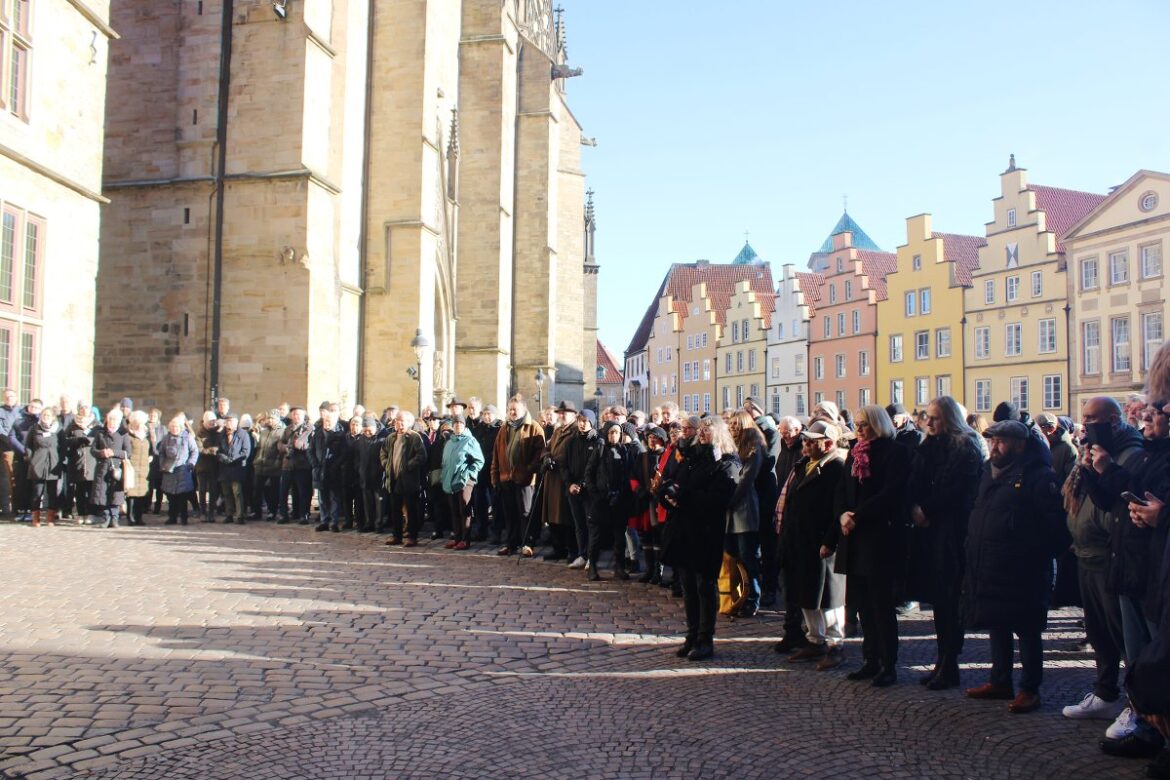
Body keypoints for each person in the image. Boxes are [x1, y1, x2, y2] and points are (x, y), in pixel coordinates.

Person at [963, 419, 1068, 715]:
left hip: (1024, 568)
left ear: (1020, 445)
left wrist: (1030, 553)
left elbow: (1055, 529)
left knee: (1028, 630)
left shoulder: (1039, 476)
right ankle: (1000, 681)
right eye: (992, 441)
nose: (994, 447)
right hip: (991, 563)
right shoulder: (989, 471)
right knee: (997, 623)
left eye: (1001, 441)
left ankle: (1029, 689)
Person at [827, 405, 912, 684]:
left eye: (864, 424)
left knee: (881, 605)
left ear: (878, 424)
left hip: (878, 537)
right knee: (862, 604)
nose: (860, 429)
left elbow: (891, 494)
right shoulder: (855, 452)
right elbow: (841, 490)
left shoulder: (895, 452)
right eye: (858, 424)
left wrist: (857, 516)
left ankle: (888, 664)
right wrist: (842, 513)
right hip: (854, 536)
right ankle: (870, 658)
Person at [909, 396, 985, 690]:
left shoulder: (966, 446)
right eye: (927, 417)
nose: (929, 423)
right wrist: (915, 508)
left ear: (949, 419)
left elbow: (958, 491)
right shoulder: (928, 446)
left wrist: (926, 509)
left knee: (950, 599)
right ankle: (942, 659)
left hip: (953, 531)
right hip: (930, 530)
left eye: (935, 418)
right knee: (939, 601)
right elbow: (916, 481)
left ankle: (949, 662)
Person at [658, 416, 739, 662]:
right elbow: (673, 482)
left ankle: (706, 639)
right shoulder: (693, 457)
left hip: (705, 532)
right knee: (688, 587)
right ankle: (692, 635)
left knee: (704, 586)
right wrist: (667, 495)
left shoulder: (727, 463)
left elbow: (717, 499)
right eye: (700, 430)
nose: (702, 433)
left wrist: (682, 495)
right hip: (684, 529)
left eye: (707, 430)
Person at [784, 420, 848, 670]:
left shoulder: (836, 468)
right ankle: (815, 640)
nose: (806, 444)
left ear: (828, 444)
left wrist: (829, 540)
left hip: (823, 540)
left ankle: (835, 645)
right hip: (801, 538)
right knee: (806, 593)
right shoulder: (804, 465)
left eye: (812, 441)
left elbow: (839, 508)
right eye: (806, 440)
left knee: (829, 598)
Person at [491, 396, 545, 557]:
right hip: (506, 478)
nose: (512, 412)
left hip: (525, 479)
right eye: (509, 409)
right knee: (509, 513)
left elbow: (540, 453)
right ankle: (511, 543)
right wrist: (495, 475)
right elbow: (496, 453)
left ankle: (528, 543)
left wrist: (528, 469)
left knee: (525, 513)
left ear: (523, 410)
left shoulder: (534, 427)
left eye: (515, 409)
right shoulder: (504, 428)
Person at [583, 421, 636, 580]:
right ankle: (592, 567)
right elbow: (589, 473)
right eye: (611, 432)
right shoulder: (599, 450)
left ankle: (619, 567)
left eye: (617, 433)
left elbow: (629, 475)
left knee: (619, 537)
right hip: (600, 501)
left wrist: (621, 494)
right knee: (596, 537)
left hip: (618, 501)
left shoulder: (625, 451)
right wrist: (596, 494)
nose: (614, 436)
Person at [773, 415, 808, 654]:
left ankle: (800, 630)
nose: (784, 436)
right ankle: (791, 629)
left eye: (789, 432)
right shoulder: (784, 451)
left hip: (799, 525)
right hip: (783, 520)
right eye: (782, 432)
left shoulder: (801, 453)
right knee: (787, 581)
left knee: (798, 582)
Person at [726, 409, 765, 618]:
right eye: (730, 424)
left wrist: (729, 499)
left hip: (743, 508)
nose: (732, 428)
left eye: (735, 424)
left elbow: (746, 480)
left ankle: (753, 598)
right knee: (733, 556)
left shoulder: (754, 446)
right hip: (729, 511)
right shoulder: (729, 446)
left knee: (748, 556)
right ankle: (737, 595)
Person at [539, 401, 579, 561]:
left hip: (565, 479)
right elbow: (547, 449)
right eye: (560, 413)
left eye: (565, 413)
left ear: (573, 415)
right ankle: (558, 548)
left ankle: (572, 550)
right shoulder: (557, 431)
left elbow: (574, 454)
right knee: (553, 517)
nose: (561, 415)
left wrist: (557, 460)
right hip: (552, 478)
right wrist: (547, 457)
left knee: (566, 517)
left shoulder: (575, 431)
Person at [380, 411, 427, 545]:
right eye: (397, 421)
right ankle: (397, 536)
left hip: (409, 480)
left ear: (408, 423)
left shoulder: (414, 437)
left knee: (411, 509)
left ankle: (412, 537)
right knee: (395, 509)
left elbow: (421, 456)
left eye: (402, 421)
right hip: (393, 478)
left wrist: (408, 466)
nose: (399, 424)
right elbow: (383, 453)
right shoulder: (390, 437)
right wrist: (386, 464)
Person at [440, 414, 484, 550]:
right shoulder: (449, 442)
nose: (458, 425)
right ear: (452, 426)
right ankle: (457, 537)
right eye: (456, 423)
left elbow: (479, 461)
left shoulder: (470, 441)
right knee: (454, 510)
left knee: (464, 510)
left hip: (465, 482)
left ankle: (465, 539)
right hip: (450, 481)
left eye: (461, 423)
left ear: (464, 425)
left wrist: (468, 475)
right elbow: (445, 462)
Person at [564, 409, 600, 570]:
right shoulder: (571, 441)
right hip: (573, 490)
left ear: (591, 422)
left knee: (591, 523)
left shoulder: (598, 441)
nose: (582, 423)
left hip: (590, 491)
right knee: (579, 524)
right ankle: (582, 554)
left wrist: (585, 484)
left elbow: (597, 468)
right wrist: (570, 484)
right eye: (580, 420)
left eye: (585, 420)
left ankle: (592, 557)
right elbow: (564, 465)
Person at [90, 409, 132, 528]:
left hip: (116, 468)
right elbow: (93, 450)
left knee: (115, 494)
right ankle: (105, 518)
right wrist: (102, 453)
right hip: (102, 468)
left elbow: (127, 453)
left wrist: (114, 452)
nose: (112, 422)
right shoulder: (100, 433)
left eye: (114, 420)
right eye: (110, 420)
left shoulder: (123, 434)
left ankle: (114, 518)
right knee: (102, 494)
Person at [157, 414, 199, 525]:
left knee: (182, 496)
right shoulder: (166, 438)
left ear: (181, 427)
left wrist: (191, 464)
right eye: (172, 427)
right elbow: (161, 452)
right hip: (169, 471)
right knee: (171, 496)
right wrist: (162, 464)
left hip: (183, 470)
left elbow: (194, 451)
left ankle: (184, 518)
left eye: (176, 427)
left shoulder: (187, 437)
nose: (174, 429)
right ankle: (172, 517)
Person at [24, 406, 62, 527]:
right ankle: (36, 517)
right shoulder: (34, 429)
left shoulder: (58, 430)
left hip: (53, 465)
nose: (46, 417)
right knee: (37, 492)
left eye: (48, 415)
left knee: (52, 492)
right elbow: (28, 445)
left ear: (53, 418)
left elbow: (62, 446)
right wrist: (31, 459)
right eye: (44, 415)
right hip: (38, 464)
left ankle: (50, 517)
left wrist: (59, 461)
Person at [63, 404, 97, 523]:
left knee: (91, 489)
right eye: (82, 408)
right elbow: (64, 441)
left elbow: (101, 440)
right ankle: (81, 513)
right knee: (80, 490)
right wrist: (77, 440)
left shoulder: (96, 425)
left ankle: (91, 513)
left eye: (86, 408)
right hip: (77, 461)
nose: (84, 410)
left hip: (92, 461)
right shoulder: (72, 426)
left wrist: (90, 440)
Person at [215, 414, 253, 525]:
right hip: (224, 469)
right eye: (227, 421)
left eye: (231, 421)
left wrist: (232, 459)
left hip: (237, 468)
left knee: (237, 492)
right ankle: (229, 514)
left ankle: (240, 515)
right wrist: (224, 458)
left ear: (236, 423)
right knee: (226, 493)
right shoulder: (221, 435)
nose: (229, 424)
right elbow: (218, 451)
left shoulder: (243, 434)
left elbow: (246, 452)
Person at [124, 410, 154, 526]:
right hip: (132, 468)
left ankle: (139, 517)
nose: (139, 425)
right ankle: (130, 517)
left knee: (141, 494)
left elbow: (151, 450)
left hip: (144, 469)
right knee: (131, 494)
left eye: (141, 423)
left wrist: (150, 456)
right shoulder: (128, 436)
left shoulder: (146, 437)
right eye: (137, 423)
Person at [354, 416, 384, 533]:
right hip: (364, 476)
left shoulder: (382, 439)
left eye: (369, 430)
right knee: (367, 502)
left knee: (379, 502)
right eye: (365, 430)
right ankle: (369, 523)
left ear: (375, 428)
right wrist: (358, 467)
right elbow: (357, 456)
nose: (367, 432)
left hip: (378, 476)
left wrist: (380, 469)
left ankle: (378, 524)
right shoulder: (361, 440)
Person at [195, 411, 222, 522]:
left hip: (215, 466)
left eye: (213, 422)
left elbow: (221, 446)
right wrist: (212, 450)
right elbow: (200, 449)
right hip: (202, 467)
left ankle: (211, 512)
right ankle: (203, 512)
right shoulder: (200, 434)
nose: (212, 424)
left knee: (213, 490)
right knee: (202, 490)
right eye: (210, 422)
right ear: (205, 422)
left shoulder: (218, 433)